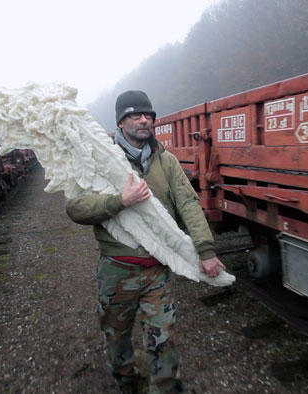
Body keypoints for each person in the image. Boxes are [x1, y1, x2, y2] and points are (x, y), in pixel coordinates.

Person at [65, 90, 226, 394]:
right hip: (116, 271)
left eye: (148, 115)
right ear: (120, 122)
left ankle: (165, 388)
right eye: (134, 114)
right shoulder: (99, 160)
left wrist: (205, 250)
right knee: (117, 337)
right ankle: (127, 384)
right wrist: (119, 201)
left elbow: (189, 205)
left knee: (162, 339)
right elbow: (75, 208)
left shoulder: (165, 161)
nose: (143, 119)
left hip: (156, 272)